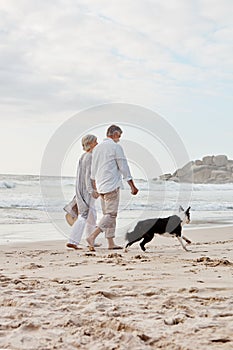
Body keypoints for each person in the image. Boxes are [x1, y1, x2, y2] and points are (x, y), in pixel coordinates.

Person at [86, 124, 138, 251]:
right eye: (119, 136)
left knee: (107, 215)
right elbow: (123, 166)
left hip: (101, 185)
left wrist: (95, 187)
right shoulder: (116, 147)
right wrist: (132, 186)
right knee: (111, 215)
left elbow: (93, 170)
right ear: (114, 134)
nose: (119, 139)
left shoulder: (97, 148)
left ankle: (110, 243)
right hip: (111, 185)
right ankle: (93, 236)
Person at [66, 134, 99, 250]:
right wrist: (92, 190)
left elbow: (79, 175)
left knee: (92, 215)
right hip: (86, 190)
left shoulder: (83, 156)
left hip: (80, 188)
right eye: (95, 141)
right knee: (84, 215)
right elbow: (87, 175)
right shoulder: (90, 157)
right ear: (90, 144)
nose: (97, 143)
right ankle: (72, 241)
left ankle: (91, 240)